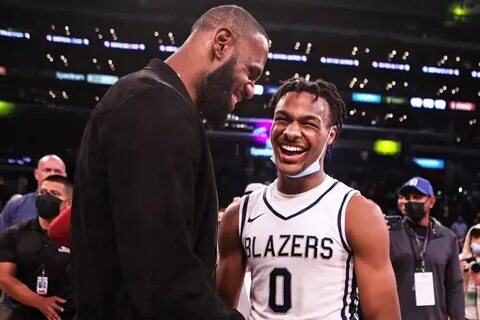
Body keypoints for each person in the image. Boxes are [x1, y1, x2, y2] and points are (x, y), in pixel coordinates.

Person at [71, 5, 269, 320]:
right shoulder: (156, 108)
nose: (251, 90)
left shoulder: (151, 102)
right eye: (252, 71)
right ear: (221, 43)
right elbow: (163, 278)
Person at [216, 77, 400, 319]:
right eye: (282, 119)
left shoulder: (356, 213)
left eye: (308, 124)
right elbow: (220, 309)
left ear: (330, 134)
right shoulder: (239, 214)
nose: (291, 132)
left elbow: (384, 316)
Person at [389, 176, 464, 320]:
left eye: (417, 197)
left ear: (431, 201)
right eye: (408, 197)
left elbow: (454, 285)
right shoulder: (391, 234)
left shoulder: (448, 238)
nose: (411, 202)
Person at [0, 175, 74, 320]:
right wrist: (40, 302)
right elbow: (4, 277)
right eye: (43, 192)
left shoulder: (79, 237)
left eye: (54, 194)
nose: (46, 197)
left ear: (69, 203)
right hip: (22, 315)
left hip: (68, 314)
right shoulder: (14, 234)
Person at [0, 155, 66, 232]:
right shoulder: (15, 206)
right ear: (36, 174)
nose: (52, 174)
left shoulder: (75, 210)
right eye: (47, 170)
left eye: (57, 171)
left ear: (64, 176)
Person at [460, 224, 480, 319]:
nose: (478, 241)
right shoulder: (461, 259)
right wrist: (458, 271)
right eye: (475, 237)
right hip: (467, 311)